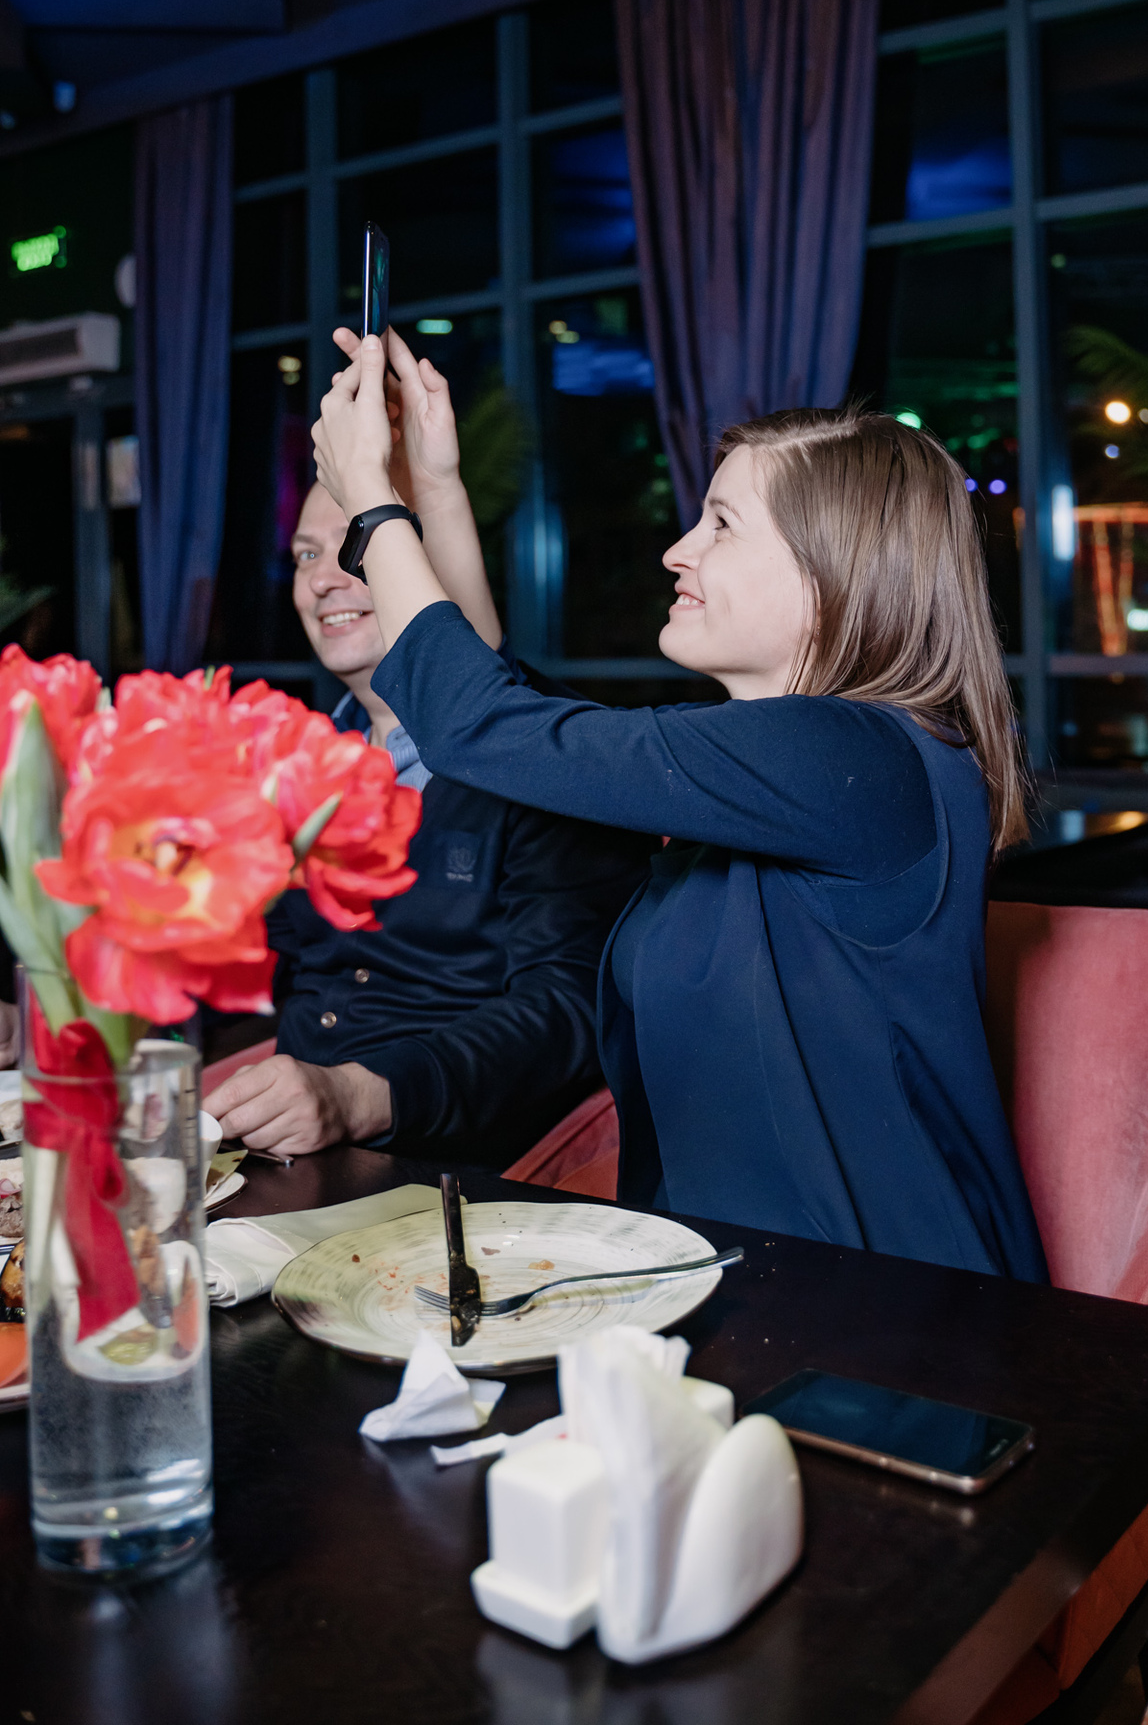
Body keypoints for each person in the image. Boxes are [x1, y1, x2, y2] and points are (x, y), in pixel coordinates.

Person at [308, 334, 1048, 1282]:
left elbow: (484, 727)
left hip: (889, 1306)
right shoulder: (768, 777)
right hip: (738, 1281)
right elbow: (506, 718)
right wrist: (440, 489)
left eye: (721, 526)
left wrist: (375, 505)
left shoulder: (856, 758)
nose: (677, 550)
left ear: (831, 574)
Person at [203, 331, 651, 1165]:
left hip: (454, 1168)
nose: (324, 578)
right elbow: (251, 960)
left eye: (356, 545)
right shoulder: (298, 758)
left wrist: (362, 1096)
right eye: (305, 555)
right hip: (283, 1154)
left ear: (424, 558)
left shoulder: (543, 752)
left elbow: (569, 1011)